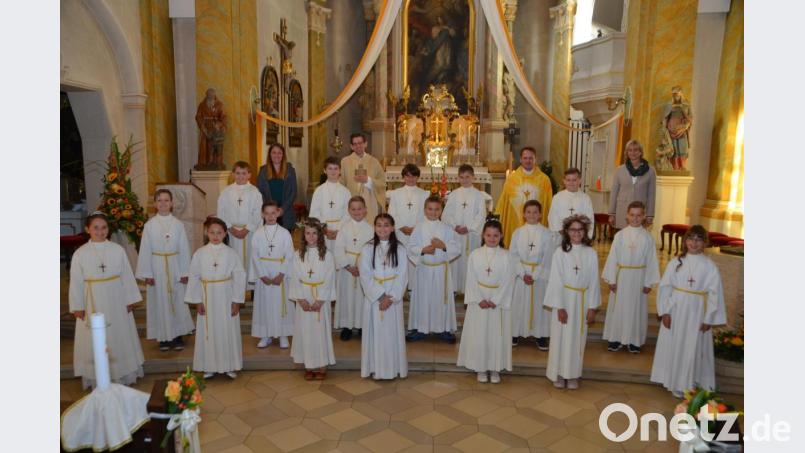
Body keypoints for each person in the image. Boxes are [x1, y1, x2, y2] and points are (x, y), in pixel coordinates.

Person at [70, 212, 145, 389]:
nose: (100, 231)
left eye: (104, 227)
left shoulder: (117, 250)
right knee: (94, 337)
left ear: (108, 230)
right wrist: (78, 306)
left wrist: (130, 299)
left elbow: (126, 275)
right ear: (87, 229)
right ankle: (95, 376)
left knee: (119, 334)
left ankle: (123, 373)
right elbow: (76, 282)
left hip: (116, 299)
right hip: (92, 301)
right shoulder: (80, 254)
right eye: (95, 227)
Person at [650, 225, 726, 398]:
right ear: (685, 241)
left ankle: (688, 382)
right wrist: (665, 312)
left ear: (705, 243)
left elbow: (715, 294)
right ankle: (671, 378)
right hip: (676, 308)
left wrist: (709, 318)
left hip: (697, 311)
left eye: (699, 240)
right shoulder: (676, 262)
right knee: (675, 344)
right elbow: (665, 287)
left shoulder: (709, 266)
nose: (694, 243)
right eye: (691, 239)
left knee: (692, 346)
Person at [185, 216, 246, 380]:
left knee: (227, 329)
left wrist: (236, 301)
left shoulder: (231, 253)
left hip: (226, 295)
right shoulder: (200, 253)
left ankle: (229, 365)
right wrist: (197, 300)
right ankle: (209, 366)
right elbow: (194, 276)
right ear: (207, 233)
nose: (215, 235)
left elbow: (239, 276)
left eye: (219, 232)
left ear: (225, 233)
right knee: (208, 331)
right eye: (212, 232)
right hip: (206, 296)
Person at [545, 215, 601, 390]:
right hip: (564, 300)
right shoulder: (560, 253)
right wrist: (560, 306)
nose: (576, 233)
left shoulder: (590, 253)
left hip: (582, 301)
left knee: (577, 339)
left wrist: (592, 307)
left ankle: (573, 374)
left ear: (585, 232)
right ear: (566, 232)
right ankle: (559, 374)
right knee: (561, 338)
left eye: (580, 229)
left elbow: (594, 281)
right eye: (572, 230)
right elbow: (555, 280)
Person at [135, 189, 194, 352]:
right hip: (157, 267)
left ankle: (178, 335)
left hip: (175, 265)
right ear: (155, 204)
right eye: (159, 200)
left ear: (172, 203)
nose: (163, 203)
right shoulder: (149, 226)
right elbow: (145, 249)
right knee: (160, 302)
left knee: (177, 300)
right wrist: (147, 273)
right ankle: (163, 338)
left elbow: (184, 248)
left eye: (166, 200)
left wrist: (185, 272)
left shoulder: (178, 225)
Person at [457, 220, 515, 384]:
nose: (492, 238)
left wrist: (496, 300)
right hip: (479, 301)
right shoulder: (475, 255)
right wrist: (479, 299)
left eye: (496, 235)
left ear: (501, 236)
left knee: (497, 335)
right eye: (488, 235)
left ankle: (495, 368)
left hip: (498, 301)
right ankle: (481, 367)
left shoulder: (507, 256)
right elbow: (471, 279)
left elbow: (508, 280)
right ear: (483, 235)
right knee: (480, 334)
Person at [601, 201, 660, 353]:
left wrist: (649, 282)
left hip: (639, 277)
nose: (635, 218)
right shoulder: (620, 235)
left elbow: (651, 261)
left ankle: (635, 340)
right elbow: (613, 258)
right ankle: (615, 338)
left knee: (637, 308)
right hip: (622, 277)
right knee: (618, 307)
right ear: (627, 216)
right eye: (632, 215)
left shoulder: (648, 238)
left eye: (639, 215)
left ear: (644, 216)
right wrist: (612, 279)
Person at [359, 213, 409, 380]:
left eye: (386, 225)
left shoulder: (400, 249)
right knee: (375, 334)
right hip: (375, 300)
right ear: (374, 227)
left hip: (392, 300)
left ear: (393, 228)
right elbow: (365, 275)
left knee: (391, 334)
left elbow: (402, 275)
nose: (382, 228)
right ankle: (375, 368)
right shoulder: (367, 248)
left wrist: (391, 297)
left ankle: (393, 368)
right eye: (379, 225)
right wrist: (380, 296)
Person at [406, 196, 460, 343]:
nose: (433, 212)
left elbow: (457, 248)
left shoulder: (447, 229)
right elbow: (410, 248)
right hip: (424, 269)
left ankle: (443, 329)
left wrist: (443, 246)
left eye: (437, 209)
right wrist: (423, 250)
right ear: (425, 210)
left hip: (441, 271)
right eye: (430, 209)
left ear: (441, 210)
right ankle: (420, 328)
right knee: (422, 299)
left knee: (440, 300)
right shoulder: (418, 228)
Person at [290, 218, 336, 380]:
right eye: (308, 233)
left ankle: (321, 366)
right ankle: (308, 365)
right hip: (304, 296)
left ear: (320, 235)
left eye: (314, 233)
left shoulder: (327, 255)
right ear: (303, 235)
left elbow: (330, 277)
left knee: (319, 333)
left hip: (319, 299)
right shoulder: (297, 255)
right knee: (306, 332)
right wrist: (300, 299)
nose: (311, 236)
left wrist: (321, 300)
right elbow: (294, 277)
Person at [249, 201, 295, 349]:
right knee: (265, 306)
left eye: (273, 213)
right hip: (264, 276)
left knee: (281, 305)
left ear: (278, 213)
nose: (270, 216)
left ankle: (283, 334)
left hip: (280, 275)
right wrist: (262, 275)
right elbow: (255, 256)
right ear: (262, 214)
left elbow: (289, 255)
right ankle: (265, 335)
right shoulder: (257, 233)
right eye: (267, 213)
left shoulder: (284, 233)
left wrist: (282, 274)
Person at [509, 200, 554, 349]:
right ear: (523, 214)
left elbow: (548, 257)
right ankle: (515, 333)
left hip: (539, 277)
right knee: (518, 304)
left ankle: (540, 335)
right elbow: (513, 255)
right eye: (528, 212)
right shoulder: (518, 233)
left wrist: (534, 275)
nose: (532, 215)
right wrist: (522, 274)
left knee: (539, 306)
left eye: (535, 212)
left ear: (540, 214)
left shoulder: (547, 234)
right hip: (522, 275)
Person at [495, 146, 553, 247]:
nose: (528, 161)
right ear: (521, 159)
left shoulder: (544, 180)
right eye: (525, 158)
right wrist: (498, 218)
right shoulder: (512, 179)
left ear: (535, 159)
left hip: (537, 222)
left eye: (531, 158)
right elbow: (504, 201)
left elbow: (548, 203)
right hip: (515, 222)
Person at [334, 196, 374, 341]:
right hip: (347, 270)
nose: (357, 212)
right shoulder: (344, 228)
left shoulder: (371, 229)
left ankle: (363, 325)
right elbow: (338, 249)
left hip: (363, 269)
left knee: (362, 298)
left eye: (359, 209)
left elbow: (372, 251)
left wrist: (362, 268)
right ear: (349, 211)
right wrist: (348, 266)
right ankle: (347, 326)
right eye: (353, 209)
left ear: (365, 210)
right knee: (347, 297)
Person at [443, 164, 487, 293]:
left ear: (473, 177)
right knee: (455, 262)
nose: (465, 180)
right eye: (462, 177)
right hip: (456, 234)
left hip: (471, 236)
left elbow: (481, 215)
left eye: (467, 177)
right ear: (458, 178)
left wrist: (469, 227)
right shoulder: (454, 195)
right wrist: (455, 225)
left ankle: (469, 290)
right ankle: (454, 289)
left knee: (469, 262)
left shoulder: (478, 195)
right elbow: (447, 213)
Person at [387, 163, 429, 288]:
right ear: (403, 177)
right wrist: (402, 227)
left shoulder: (424, 194)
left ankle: (413, 288)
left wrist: (415, 229)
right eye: (408, 176)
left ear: (418, 177)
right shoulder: (395, 194)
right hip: (400, 232)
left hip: (417, 233)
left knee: (414, 259)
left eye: (413, 176)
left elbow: (426, 214)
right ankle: (400, 287)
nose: (410, 179)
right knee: (400, 258)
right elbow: (392, 212)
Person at [217, 161, 263, 274]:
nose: (241, 176)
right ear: (232, 174)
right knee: (233, 261)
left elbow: (257, 213)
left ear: (249, 175)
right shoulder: (226, 192)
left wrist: (247, 229)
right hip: (231, 233)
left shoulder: (254, 192)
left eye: (244, 173)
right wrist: (230, 228)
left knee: (250, 261)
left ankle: (249, 288)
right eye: (237, 173)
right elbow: (221, 212)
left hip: (249, 233)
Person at [609, 140, 656, 230]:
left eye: (635, 150)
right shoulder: (619, 170)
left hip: (640, 213)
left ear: (640, 152)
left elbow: (651, 194)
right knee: (623, 240)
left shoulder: (650, 171)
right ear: (626, 153)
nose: (632, 152)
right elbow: (614, 193)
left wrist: (650, 215)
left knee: (638, 240)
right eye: (629, 150)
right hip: (622, 211)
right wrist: (612, 213)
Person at [309, 156, 352, 252]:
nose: (333, 172)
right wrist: (324, 230)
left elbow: (348, 214)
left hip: (340, 232)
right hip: (323, 232)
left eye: (336, 168)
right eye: (330, 168)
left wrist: (338, 230)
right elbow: (314, 213)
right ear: (325, 170)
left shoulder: (346, 192)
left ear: (340, 171)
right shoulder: (319, 191)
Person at [340, 133, 386, 221]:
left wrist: (368, 180)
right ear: (351, 146)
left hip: (369, 203)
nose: (358, 146)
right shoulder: (345, 162)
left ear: (365, 144)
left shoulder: (374, 161)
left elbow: (382, 183)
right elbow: (341, 183)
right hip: (351, 201)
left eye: (360, 143)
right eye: (355, 144)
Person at [257, 143, 298, 232]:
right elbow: (260, 192)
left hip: (286, 212)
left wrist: (282, 209)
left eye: (279, 153)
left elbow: (293, 192)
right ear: (270, 155)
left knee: (285, 242)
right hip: (269, 214)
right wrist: (270, 210)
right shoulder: (263, 171)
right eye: (274, 152)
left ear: (283, 155)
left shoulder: (290, 170)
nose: (277, 155)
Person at [548, 168, 594, 243]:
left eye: (574, 180)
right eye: (568, 180)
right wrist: (565, 234)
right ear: (564, 181)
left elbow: (589, 219)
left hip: (579, 238)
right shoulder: (557, 197)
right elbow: (553, 218)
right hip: (561, 238)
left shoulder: (585, 198)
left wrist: (579, 235)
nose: (571, 183)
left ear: (579, 181)